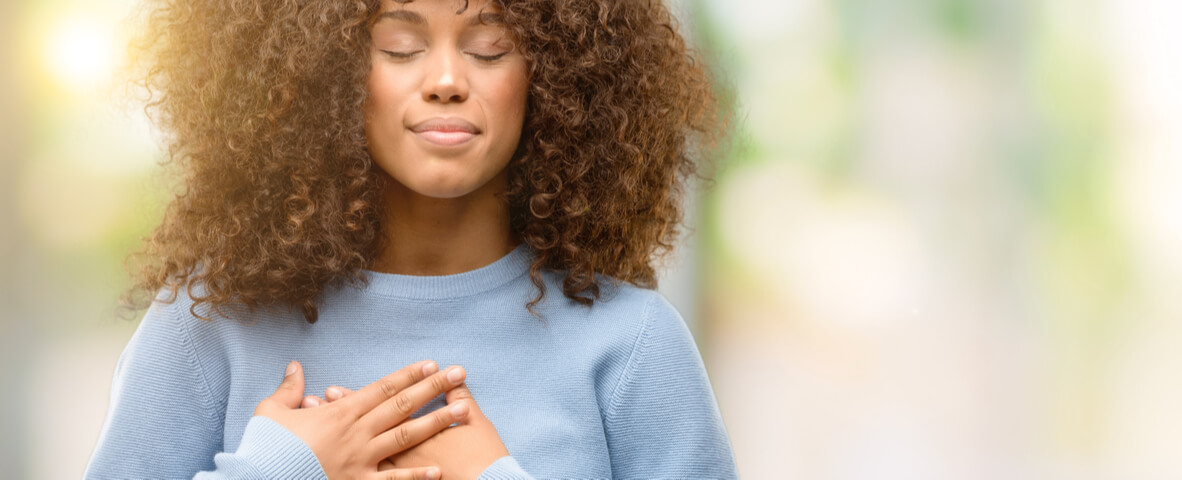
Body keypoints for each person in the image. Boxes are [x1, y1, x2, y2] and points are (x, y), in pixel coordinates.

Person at [85, 0, 736, 478]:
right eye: (398, 46)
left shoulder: (632, 345)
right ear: (327, 72)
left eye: (488, 48)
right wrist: (281, 471)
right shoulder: (209, 322)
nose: (447, 80)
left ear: (555, 76)